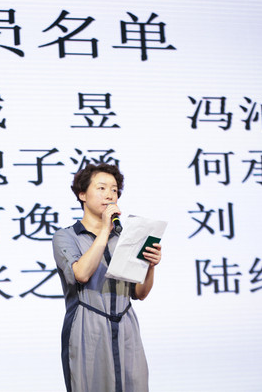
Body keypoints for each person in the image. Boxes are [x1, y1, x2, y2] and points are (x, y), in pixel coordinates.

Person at [52, 163, 162, 392]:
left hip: (126, 326)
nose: (110, 195)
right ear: (82, 194)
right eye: (101, 188)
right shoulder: (66, 236)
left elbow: (139, 293)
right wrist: (104, 229)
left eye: (114, 190)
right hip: (87, 327)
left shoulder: (126, 237)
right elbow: (81, 274)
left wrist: (150, 266)